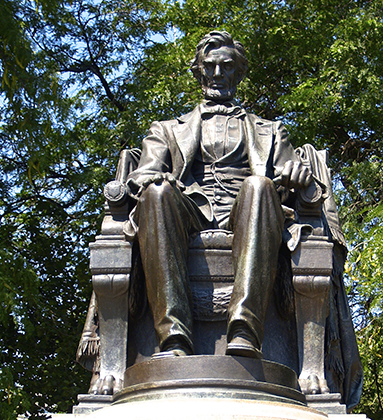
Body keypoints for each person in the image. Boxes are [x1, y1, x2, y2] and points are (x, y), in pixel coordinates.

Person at [124, 31, 325, 359]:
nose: (218, 74)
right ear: (198, 71)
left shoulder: (271, 131)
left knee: (259, 186)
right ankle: (173, 339)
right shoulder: (167, 130)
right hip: (189, 211)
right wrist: (160, 179)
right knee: (157, 192)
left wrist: (299, 177)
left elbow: (300, 179)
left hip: (248, 213)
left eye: (227, 66)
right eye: (210, 66)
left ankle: (245, 330)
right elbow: (140, 177)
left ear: (239, 72)